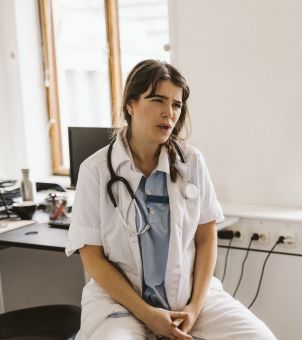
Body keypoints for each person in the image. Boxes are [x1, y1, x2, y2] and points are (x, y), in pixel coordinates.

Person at [66, 60, 276, 340]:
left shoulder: (191, 161)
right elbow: (92, 259)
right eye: (157, 100)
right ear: (130, 104)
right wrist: (148, 314)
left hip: (187, 297)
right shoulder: (96, 171)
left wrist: (194, 308)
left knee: (260, 337)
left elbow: (206, 238)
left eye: (176, 105)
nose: (169, 113)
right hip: (122, 304)